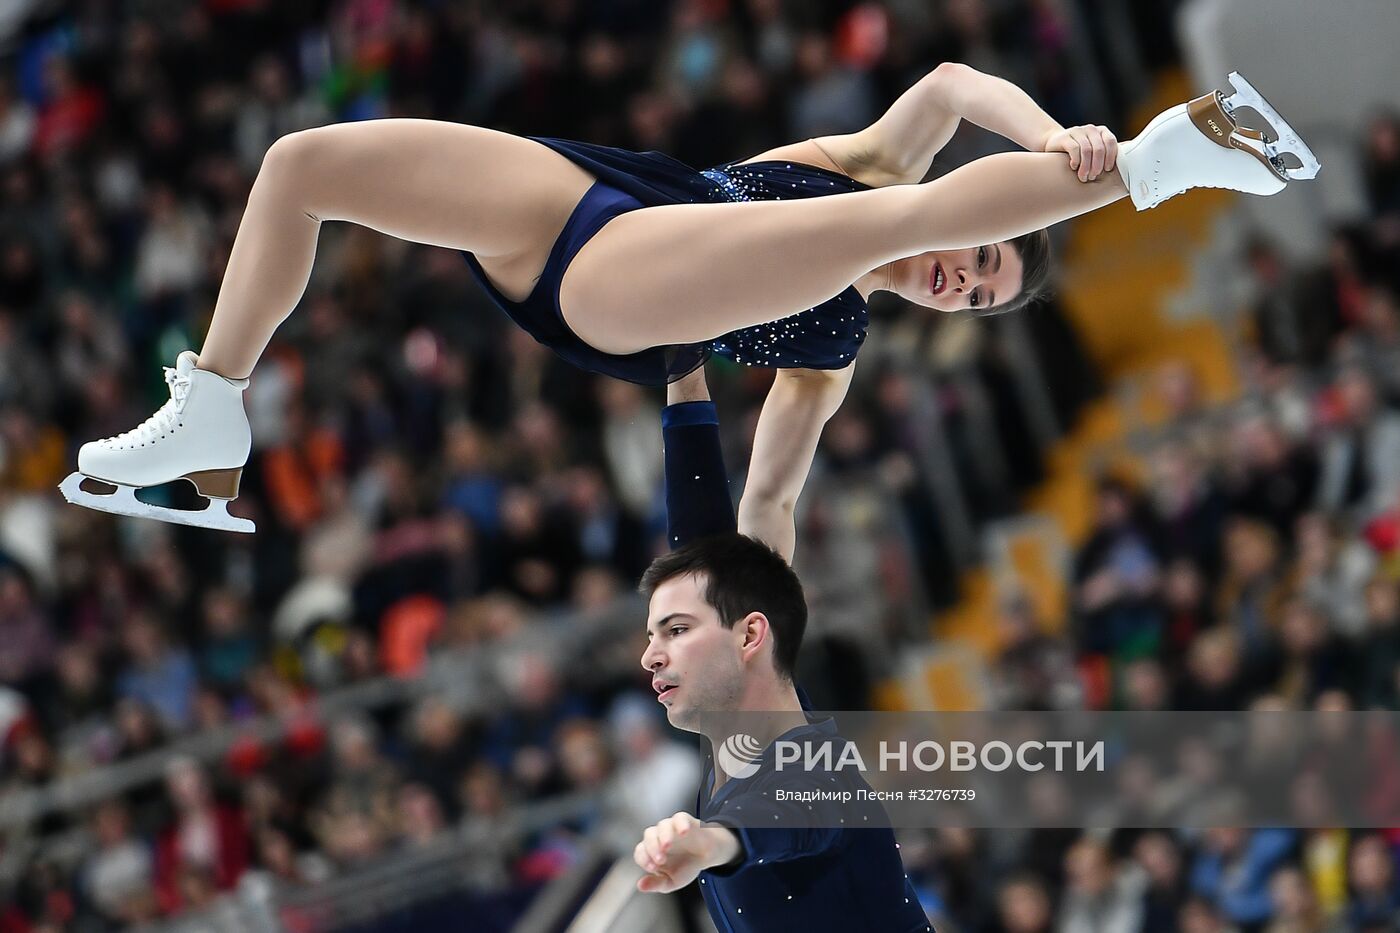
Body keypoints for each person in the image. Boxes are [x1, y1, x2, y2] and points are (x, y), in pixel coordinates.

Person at [60, 66, 1315, 532]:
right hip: (603, 199)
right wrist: (1059, 136)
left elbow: (767, 498)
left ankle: (1168, 164)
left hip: (619, 294)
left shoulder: (830, 344)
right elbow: (946, 82)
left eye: (976, 293)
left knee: (880, 223)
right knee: (303, 167)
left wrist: (747, 654)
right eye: (984, 260)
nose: (961, 276)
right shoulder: (876, 156)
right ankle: (214, 403)